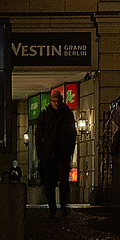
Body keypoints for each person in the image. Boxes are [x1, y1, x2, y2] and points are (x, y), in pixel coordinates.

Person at [33, 88, 78, 216]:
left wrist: (70, 150)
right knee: (50, 182)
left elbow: (72, 134)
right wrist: (41, 153)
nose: (56, 103)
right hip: (49, 153)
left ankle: (62, 206)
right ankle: (53, 208)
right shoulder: (46, 115)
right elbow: (38, 135)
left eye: (57, 101)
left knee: (63, 181)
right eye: (54, 101)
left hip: (61, 153)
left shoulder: (66, 114)